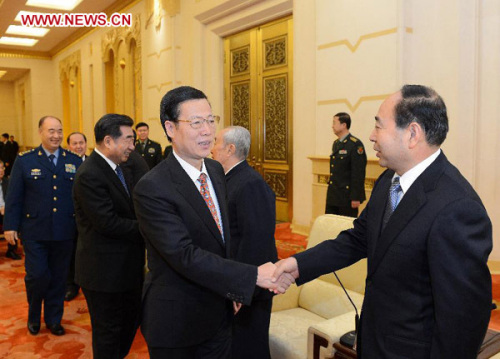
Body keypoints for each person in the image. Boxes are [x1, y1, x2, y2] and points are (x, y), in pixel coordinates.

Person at [274, 85, 492, 359]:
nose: (371, 136)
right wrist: (296, 265)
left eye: (379, 126)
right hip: (374, 341)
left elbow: (463, 317)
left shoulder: (458, 208)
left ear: (412, 133)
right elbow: (357, 240)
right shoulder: (388, 180)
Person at [133, 86, 292, 359]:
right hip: (178, 321)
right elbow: (184, 255)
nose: (207, 131)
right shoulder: (152, 187)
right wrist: (251, 277)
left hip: (220, 314)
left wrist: (232, 290)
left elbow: (222, 237)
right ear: (170, 128)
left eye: (210, 120)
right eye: (196, 123)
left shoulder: (216, 171)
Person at [73, 114, 145, 359]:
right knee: (108, 334)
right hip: (104, 274)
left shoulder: (119, 167)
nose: (132, 147)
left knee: (128, 325)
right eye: (128, 140)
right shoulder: (89, 174)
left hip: (126, 269)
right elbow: (108, 223)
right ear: (108, 141)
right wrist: (149, 227)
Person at [4, 116, 82, 336]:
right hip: (34, 230)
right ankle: (33, 315)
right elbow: (14, 196)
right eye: (51, 131)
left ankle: (53, 319)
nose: (56, 135)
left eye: (59, 131)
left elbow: (81, 197)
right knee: (38, 276)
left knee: (58, 277)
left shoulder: (74, 160)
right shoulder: (25, 160)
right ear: (40, 132)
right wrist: (10, 225)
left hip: (64, 230)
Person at [211, 126, 278, 359]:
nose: (211, 149)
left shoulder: (250, 183)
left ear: (230, 149)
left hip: (251, 288)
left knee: (250, 349)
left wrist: (240, 289)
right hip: (238, 280)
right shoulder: (228, 179)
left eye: (216, 142)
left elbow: (256, 242)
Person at [325, 113, 367, 217]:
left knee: (345, 228)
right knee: (330, 225)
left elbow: (358, 172)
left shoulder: (355, 144)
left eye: (334, 123)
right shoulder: (336, 144)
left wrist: (356, 197)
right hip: (334, 195)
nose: (332, 126)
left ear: (343, 125)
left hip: (346, 197)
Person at [63, 132, 88, 301]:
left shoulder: (95, 163)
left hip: (91, 219)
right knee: (71, 253)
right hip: (70, 218)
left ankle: (87, 283)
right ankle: (71, 285)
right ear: (68, 146)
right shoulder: (63, 165)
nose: (78, 146)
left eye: (81, 143)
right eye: (74, 143)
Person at [0, 160, 21, 260]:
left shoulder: (8, 182)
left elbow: (14, 199)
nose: (1, 170)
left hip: (6, 212)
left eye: (2, 168)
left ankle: (11, 250)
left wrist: (7, 209)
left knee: (14, 218)